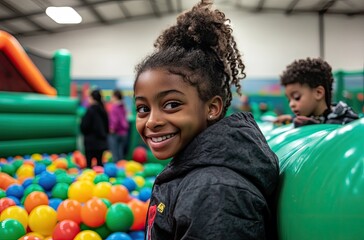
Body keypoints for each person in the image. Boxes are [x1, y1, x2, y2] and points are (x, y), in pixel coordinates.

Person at [133, 1, 279, 239]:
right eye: (142, 108)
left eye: (171, 104)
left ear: (212, 108)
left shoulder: (213, 190)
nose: (151, 121)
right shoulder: (194, 169)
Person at [274, 58, 359, 127]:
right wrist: (290, 118)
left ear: (318, 93)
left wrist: (315, 128)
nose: (291, 104)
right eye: (289, 100)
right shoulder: (307, 118)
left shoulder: (346, 120)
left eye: (297, 97)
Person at [80, 89, 109, 168]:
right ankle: (101, 179)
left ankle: (89, 178)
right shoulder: (103, 110)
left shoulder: (90, 111)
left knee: (89, 164)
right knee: (99, 163)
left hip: (90, 142)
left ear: (92, 98)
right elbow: (107, 126)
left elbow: (84, 126)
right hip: (101, 142)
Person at [108, 89, 129, 162]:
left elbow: (114, 119)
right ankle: (121, 167)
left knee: (115, 153)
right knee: (121, 153)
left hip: (116, 132)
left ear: (115, 97)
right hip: (124, 132)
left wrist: (112, 128)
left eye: (112, 96)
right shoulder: (123, 106)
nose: (111, 98)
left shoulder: (114, 107)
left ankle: (116, 167)